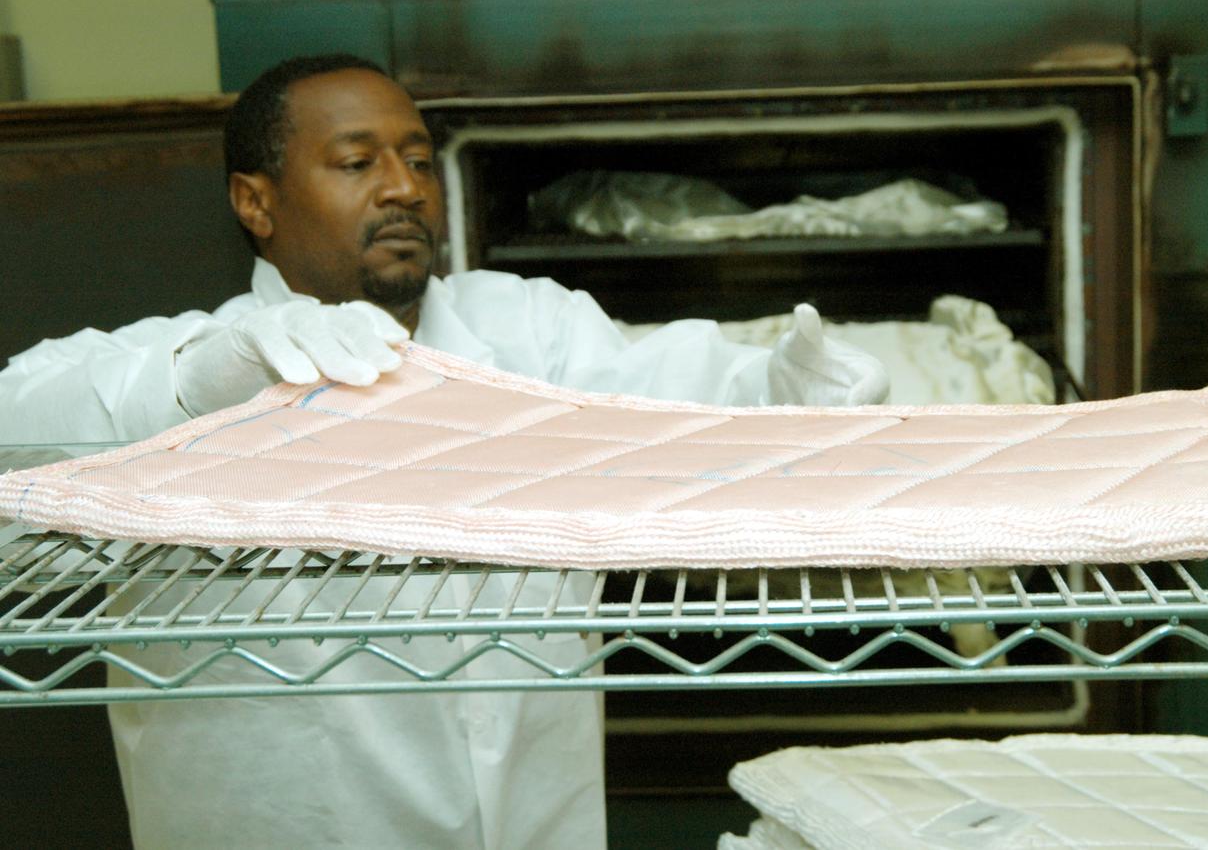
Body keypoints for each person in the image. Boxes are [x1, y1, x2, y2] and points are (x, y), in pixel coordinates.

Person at [0, 55, 888, 849]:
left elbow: (675, 392)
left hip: (535, 819)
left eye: (419, 160)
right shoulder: (192, 365)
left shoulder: (527, 332)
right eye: (358, 163)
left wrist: (783, 390)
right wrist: (199, 384)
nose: (405, 189)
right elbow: (19, 432)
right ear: (255, 201)